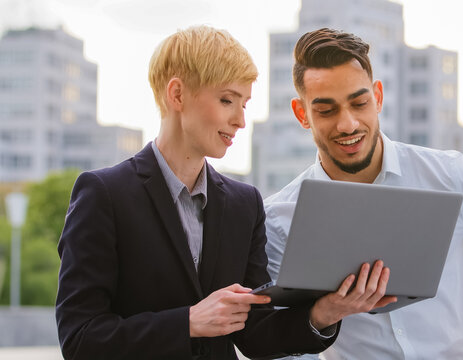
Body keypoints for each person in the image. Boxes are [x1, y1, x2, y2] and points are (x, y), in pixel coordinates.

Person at [55, 26, 396, 360]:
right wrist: (187, 323)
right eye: (227, 100)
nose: (240, 120)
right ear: (177, 95)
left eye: (244, 104)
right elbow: (80, 339)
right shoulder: (104, 194)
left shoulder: (243, 204)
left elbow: (255, 336)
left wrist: (325, 312)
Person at [263, 28, 463, 360]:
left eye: (359, 103)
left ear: (377, 97)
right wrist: (321, 314)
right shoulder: (279, 218)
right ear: (302, 114)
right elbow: (280, 344)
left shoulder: (449, 176)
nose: (347, 124)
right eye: (326, 110)